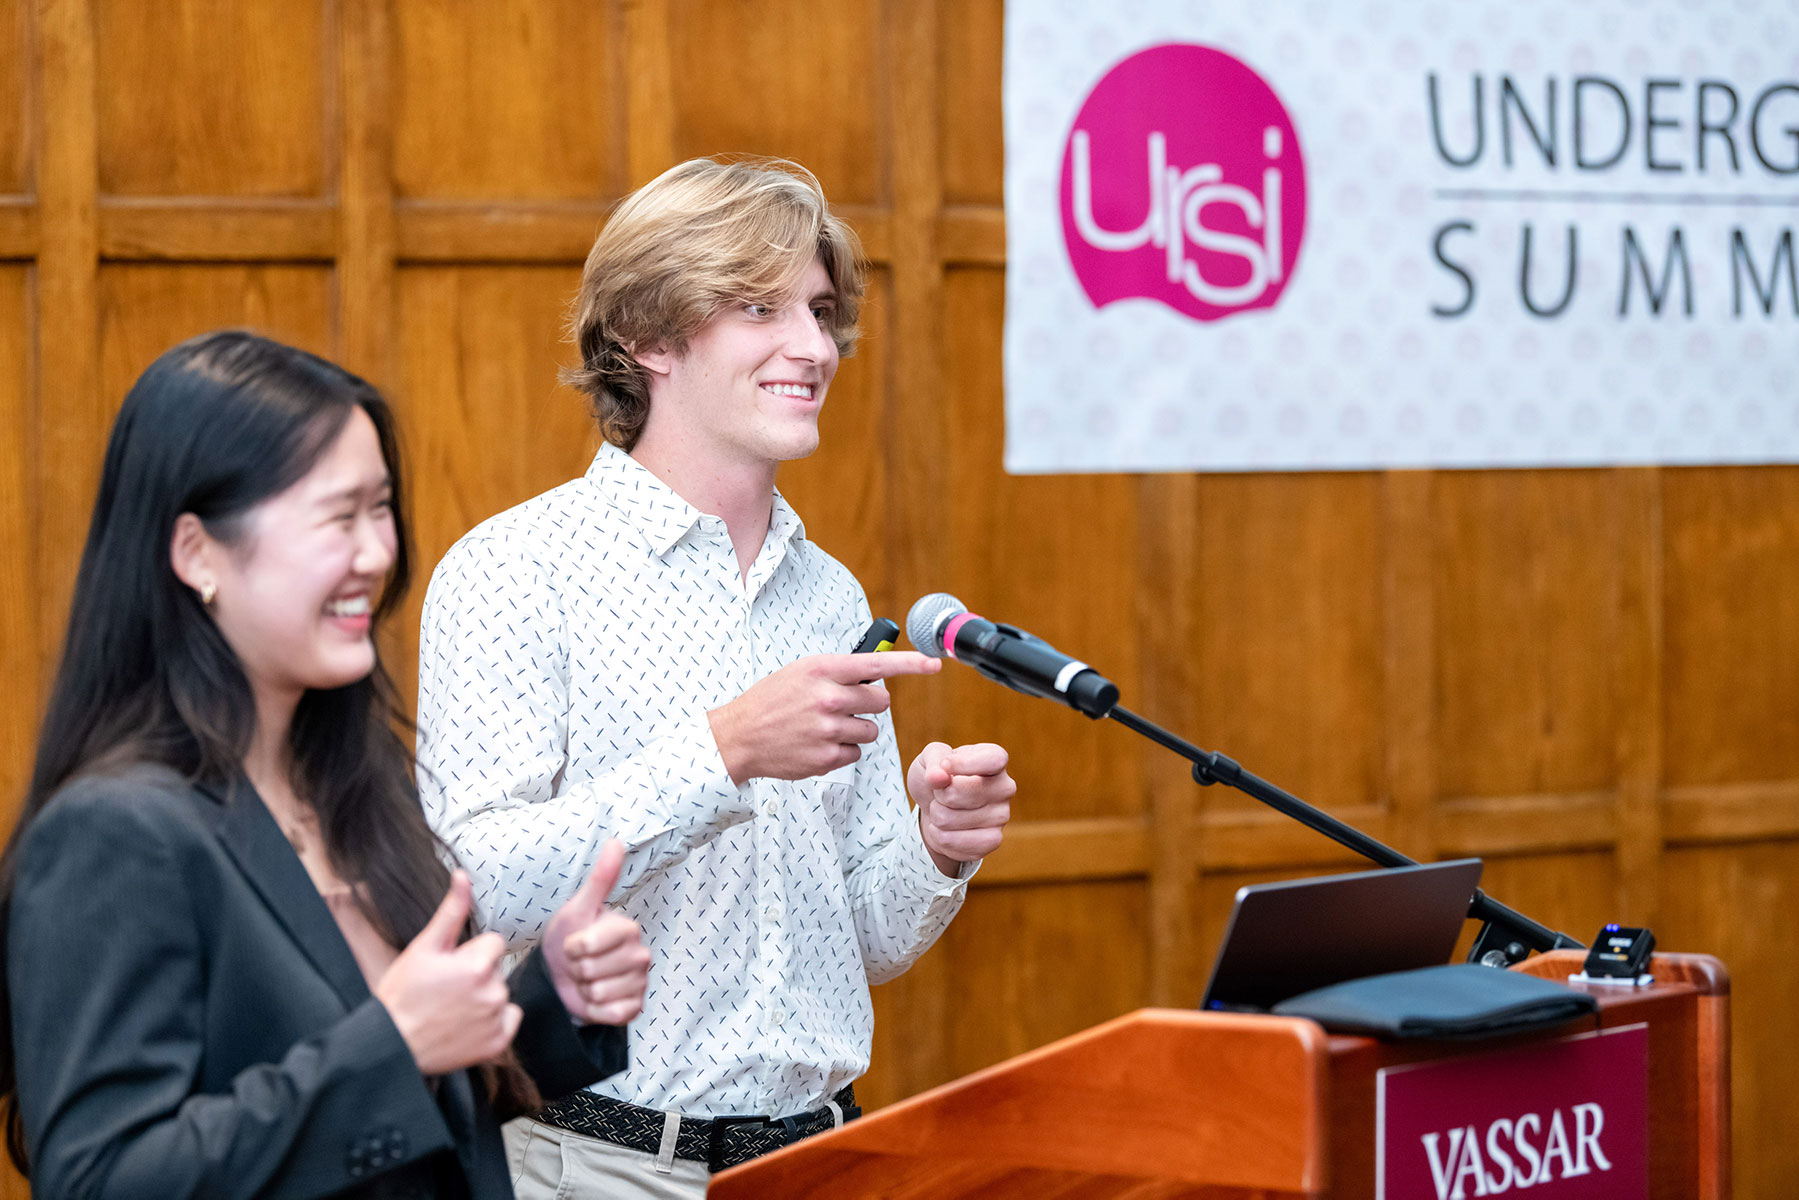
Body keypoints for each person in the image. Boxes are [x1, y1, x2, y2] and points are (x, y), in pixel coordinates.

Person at [416, 157, 1016, 1197]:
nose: (811, 347)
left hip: (824, 1155)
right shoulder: (514, 571)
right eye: (756, 307)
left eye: (820, 311)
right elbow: (478, 892)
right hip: (597, 1164)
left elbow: (861, 943)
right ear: (649, 336)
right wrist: (721, 751)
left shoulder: (828, 596)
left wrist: (931, 849)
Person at [0, 330, 652, 1199]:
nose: (376, 553)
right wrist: (397, 1043)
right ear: (196, 552)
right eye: (335, 517)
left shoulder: (353, 783)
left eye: (379, 510)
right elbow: (101, 1177)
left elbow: (410, 1119)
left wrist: (549, 1003)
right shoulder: (114, 833)